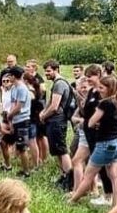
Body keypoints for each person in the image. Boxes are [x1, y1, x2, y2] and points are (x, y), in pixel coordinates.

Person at [69, 75, 117, 206]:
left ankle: (72, 201)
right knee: (115, 176)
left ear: (109, 88)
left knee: (88, 175)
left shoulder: (105, 103)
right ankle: (116, 204)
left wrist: (93, 121)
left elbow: (90, 122)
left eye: (101, 87)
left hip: (104, 144)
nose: (98, 90)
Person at [40, 60, 74, 190]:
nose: (46, 74)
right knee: (57, 151)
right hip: (55, 121)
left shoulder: (59, 84)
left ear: (56, 70)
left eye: (49, 71)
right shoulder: (58, 83)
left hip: (58, 121)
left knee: (62, 150)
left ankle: (70, 179)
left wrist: (43, 115)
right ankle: (64, 176)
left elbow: (54, 106)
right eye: (46, 71)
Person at [4, 67, 33, 178]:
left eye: (10, 75)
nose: (8, 77)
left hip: (22, 120)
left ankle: (26, 172)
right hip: (16, 120)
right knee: (17, 146)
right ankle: (22, 168)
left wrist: (10, 115)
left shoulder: (21, 88)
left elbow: (19, 107)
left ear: (13, 76)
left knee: (22, 147)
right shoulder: (15, 88)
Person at [24, 60, 45, 168]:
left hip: (31, 118)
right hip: (32, 118)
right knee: (32, 141)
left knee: (32, 141)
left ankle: (35, 163)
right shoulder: (34, 89)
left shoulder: (30, 91)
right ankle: (35, 161)